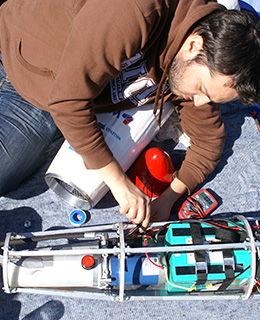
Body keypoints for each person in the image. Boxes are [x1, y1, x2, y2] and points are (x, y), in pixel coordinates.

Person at [0, 0, 260, 228]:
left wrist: (167, 199)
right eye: (203, 89)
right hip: (28, 72)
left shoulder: (202, 55)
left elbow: (209, 143)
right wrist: (120, 184)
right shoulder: (137, 9)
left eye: (212, 98)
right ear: (193, 45)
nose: (201, 103)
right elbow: (68, 101)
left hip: (81, 97)